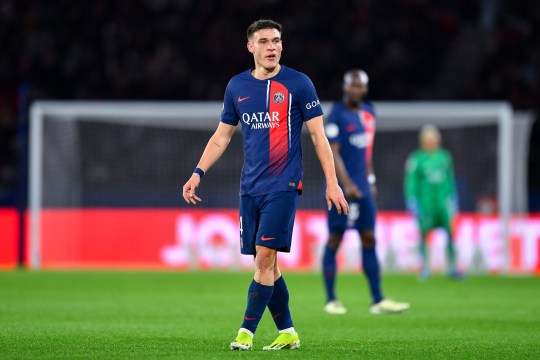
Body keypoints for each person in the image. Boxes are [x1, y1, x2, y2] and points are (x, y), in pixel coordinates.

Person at [182, 19, 349, 351]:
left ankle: (246, 332)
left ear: (282, 45)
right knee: (267, 264)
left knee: (264, 258)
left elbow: (318, 137)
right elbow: (222, 136)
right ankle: (288, 330)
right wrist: (198, 171)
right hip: (250, 188)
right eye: (264, 41)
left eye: (276, 41)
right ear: (251, 47)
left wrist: (333, 183)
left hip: (284, 185)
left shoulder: (299, 84)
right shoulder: (237, 87)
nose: (272, 46)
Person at [322, 69, 410, 315]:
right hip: (341, 189)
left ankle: (378, 300)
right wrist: (346, 185)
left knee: (369, 238)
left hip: (364, 188)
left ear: (365, 88)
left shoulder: (369, 112)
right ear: (345, 87)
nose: (356, 90)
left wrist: (370, 179)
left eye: (360, 86)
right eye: (352, 86)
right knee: (335, 238)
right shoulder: (336, 116)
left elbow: (367, 149)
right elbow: (334, 153)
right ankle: (331, 300)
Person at [404, 124, 462, 280]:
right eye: (428, 139)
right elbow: (411, 181)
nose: (431, 142)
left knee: (451, 233)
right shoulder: (416, 158)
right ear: (423, 141)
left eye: (434, 139)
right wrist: (412, 199)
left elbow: (450, 180)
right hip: (426, 204)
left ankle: (452, 267)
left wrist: (453, 199)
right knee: (424, 234)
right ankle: (425, 267)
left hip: (443, 204)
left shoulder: (445, 157)